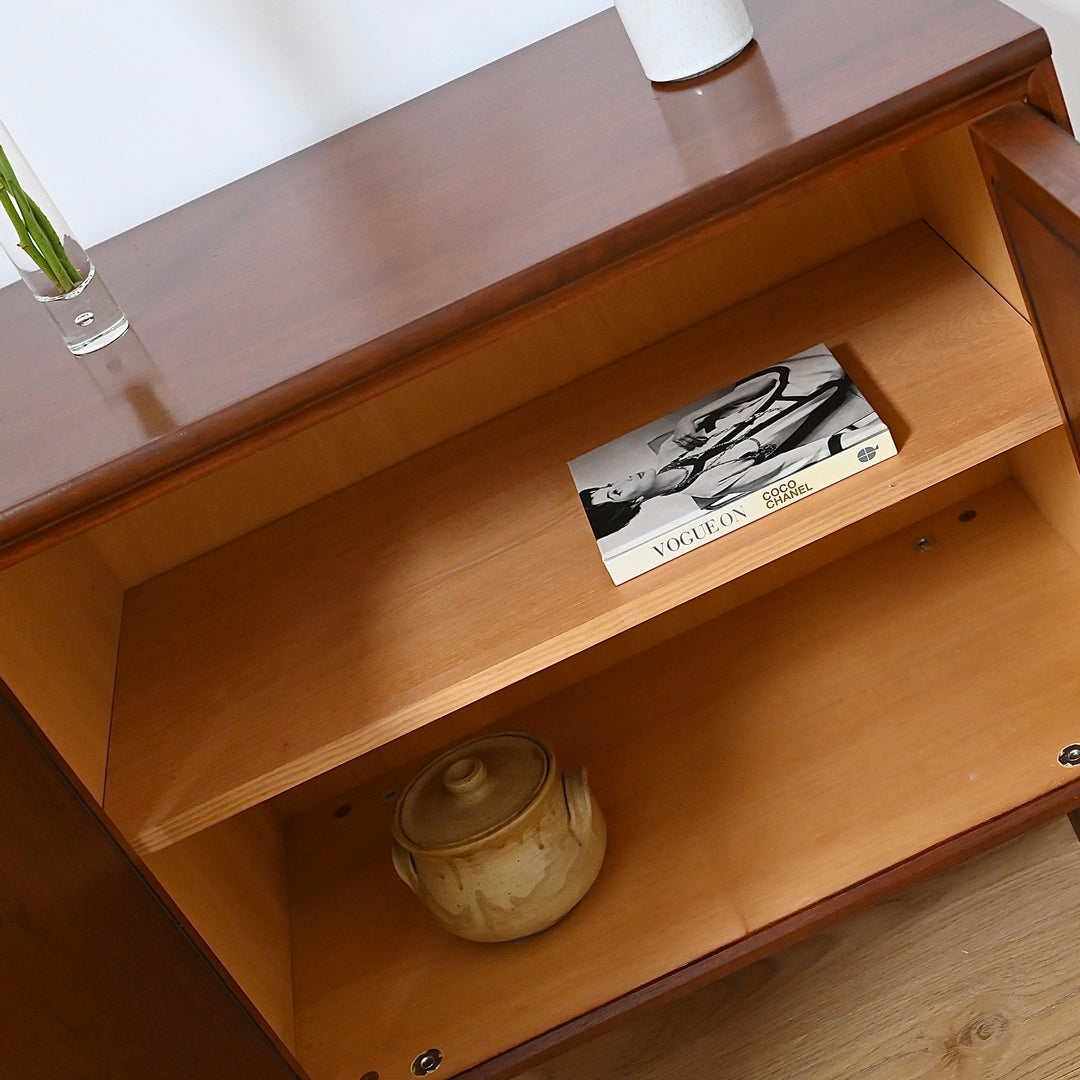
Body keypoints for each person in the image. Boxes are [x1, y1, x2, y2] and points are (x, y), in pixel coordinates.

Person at [578, 349, 886, 541]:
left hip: (788, 379)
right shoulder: (711, 486)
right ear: (631, 507)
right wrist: (864, 434)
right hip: (818, 399)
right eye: (616, 491)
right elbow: (796, 461)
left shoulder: (670, 448)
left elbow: (763, 386)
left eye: (609, 483)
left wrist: (695, 415)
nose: (623, 479)